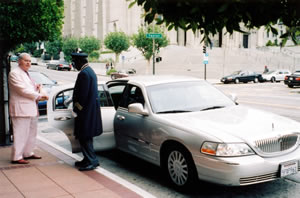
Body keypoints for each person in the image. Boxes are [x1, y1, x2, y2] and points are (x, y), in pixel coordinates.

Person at [8, 53, 48, 164]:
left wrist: (36, 87)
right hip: (21, 109)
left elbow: (28, 88)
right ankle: (17, 156)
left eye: (30, 61)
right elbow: (22, 90)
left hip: (31, 108)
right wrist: (40, 96)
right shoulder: (14, 74)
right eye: (26, 61)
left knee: (31, 133)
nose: (28, 63)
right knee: (20, 133)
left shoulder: (25, 73)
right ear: (19, 61)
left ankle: (28, 153)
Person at [71, 52, 103, 171]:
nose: (74, 65)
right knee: (86, 137)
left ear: (80, 62)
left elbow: (82, 96)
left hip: (85, 113)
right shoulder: (90, 71)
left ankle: (92, 161)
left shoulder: (84, 74)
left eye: (74, 62)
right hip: (89, 111)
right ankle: (87, 158)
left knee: (84, 137)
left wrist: (76, 109)